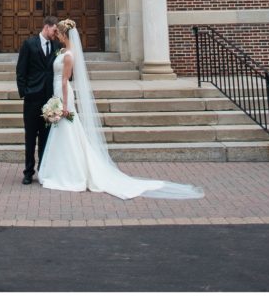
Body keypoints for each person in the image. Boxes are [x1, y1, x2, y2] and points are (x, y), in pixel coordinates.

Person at [38, 19, 204, 200]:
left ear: (65, 35)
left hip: (64, 95)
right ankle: (62, 169)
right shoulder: (62, 51)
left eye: (59, 33)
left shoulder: (69, 55)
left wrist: (63, 105)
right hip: (57, 92)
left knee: (67, 128)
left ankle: (71, 172)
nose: (57, 36)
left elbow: (65, 81)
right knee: (63, 130)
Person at [15, 15, 59, 185]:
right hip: (32, 99)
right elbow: (21, 70)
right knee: (30, 137)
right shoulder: (29, 44)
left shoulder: (56, 46)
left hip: (49, 99)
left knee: (45, 137)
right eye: (54, 30)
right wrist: (25, 92)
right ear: (46, 27)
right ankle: (28, 172)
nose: (55, 34)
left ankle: (43, 170)